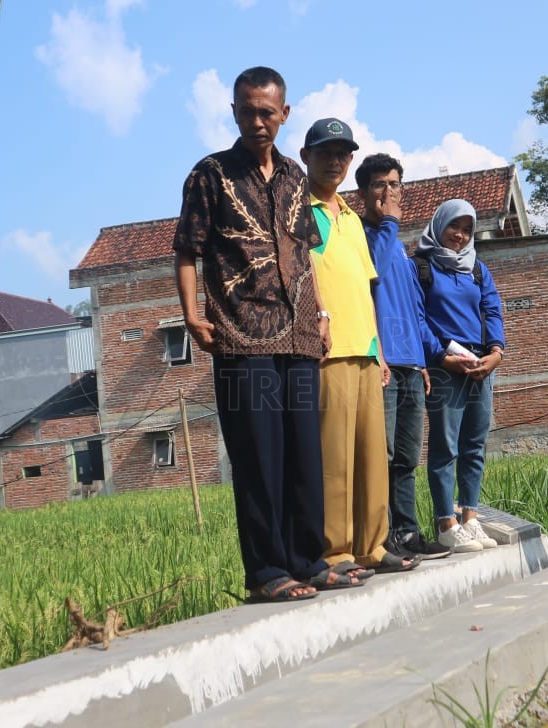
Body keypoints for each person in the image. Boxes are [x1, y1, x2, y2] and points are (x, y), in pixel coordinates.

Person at [172, 68, 359, 603]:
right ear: (233, 111)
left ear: (285, 114)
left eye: (267, 112)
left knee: (304, 455)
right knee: (259, 457)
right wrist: (191, 315)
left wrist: (321, 315)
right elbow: (188, 249)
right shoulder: (210, 175)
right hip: (241, 335)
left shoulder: (298, 177)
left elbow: (304, 255)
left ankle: (309, 560)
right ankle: (268, 572)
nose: (257, 121)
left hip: (299, 336)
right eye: (247, 111)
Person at [301, 118, 418, 575]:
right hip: (329, 351)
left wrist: (382, 352)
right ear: (306, 156)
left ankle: (373, 546)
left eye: (342, 153)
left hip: (368, 349)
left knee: (373, 459)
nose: (334, 161)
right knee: (336, 461)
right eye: (325, 152)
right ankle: (337, 552)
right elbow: (304, 276)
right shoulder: (300, 212)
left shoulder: (349, 217)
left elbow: (369, 286)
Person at [354, 153, 451, 560]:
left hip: (411, 367)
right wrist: (387, 222)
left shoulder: (400, 248)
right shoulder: (361, 236)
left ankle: (408, 533)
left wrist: (425, 362)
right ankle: (383, 537)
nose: (388, 192)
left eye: (394, 184)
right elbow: (368, 273)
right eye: (379, 184)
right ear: (363, 192)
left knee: (408, 456)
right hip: (383, 366)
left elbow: (413, 310)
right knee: (384, 454)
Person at [416, 199, 505, 553]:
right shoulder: (421, 267)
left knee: (474, 445)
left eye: (467, 229)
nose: (460, 235)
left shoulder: (478, 269)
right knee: (445, 446)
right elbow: (417, 318)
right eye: (455, 226)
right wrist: (440, 356)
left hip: (480, 364)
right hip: (444, 367)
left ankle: (470, 515)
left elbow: (492, 309)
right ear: (439, 226)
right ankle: (445, 522)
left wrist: (496, 353)